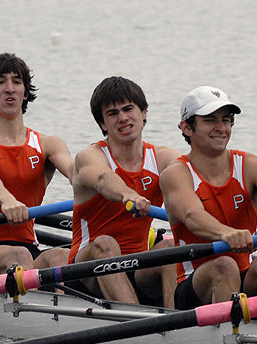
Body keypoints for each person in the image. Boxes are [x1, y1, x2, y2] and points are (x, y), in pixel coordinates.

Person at [0, 53, 74, 281]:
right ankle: (40, 311)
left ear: (25, 93)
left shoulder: (48, 144)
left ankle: (62, 310)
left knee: (62, 256)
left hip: (29, 248)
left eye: (16, 82)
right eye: (0, 82)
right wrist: (6, 200)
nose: (10, 88)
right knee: (19, 255)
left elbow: (76, 173)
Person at [160, 85, 257, 310]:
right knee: (224, 265)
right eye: (210, 120)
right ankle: (229, 337)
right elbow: (192, 216)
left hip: (243, 275)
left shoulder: (253, 166)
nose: (221, 128)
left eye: (226, 120)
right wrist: (227, 233)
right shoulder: (176, 174)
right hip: (194, 282)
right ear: (187, 127)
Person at [67, 77, 180, 306]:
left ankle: (176, 321)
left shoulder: (163, 158)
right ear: (102, 124)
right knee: (106, 243)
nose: (123, 118)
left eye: (128, 109)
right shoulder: (90, 156)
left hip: (137, 267)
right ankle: (138, 323)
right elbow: (102, 178)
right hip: (87, 268)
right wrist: (127, 194)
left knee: (170, 247)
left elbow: (195, 179)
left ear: (144, 113)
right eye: (112, 113)